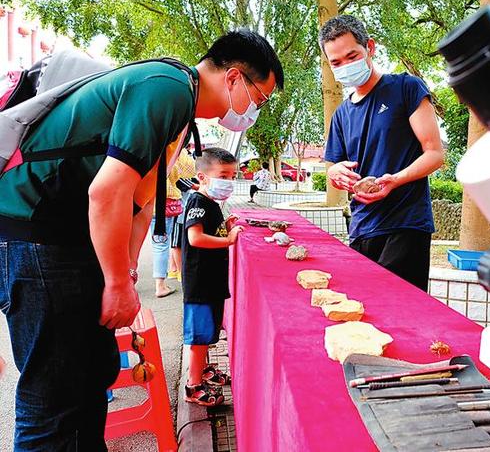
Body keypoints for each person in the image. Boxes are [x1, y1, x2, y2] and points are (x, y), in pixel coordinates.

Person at [0, 30, 283, 450]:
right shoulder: (166, 87)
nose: (253, 111)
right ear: (235, 78)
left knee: (92, 380)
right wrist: (115, 282)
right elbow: (107, 191)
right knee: (54, 405)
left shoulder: (181, 112)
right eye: (259, 99)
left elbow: (140, 203)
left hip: (66, 243)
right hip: (39, 238)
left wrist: (126, 276)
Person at [320, 15, 444, 291]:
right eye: (336, 63)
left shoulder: (406, 88)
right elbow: (336, 167)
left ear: (370, 48)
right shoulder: (341, 115)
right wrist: (334, 173)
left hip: (405, 224)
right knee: (364, 312)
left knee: (400, 313)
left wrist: (395, 180)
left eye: (351, 56)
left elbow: (435, 154)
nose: (345, 66)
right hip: (362, 226)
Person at [181, 147, 241, 406]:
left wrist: (224, 228)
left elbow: (209, 230)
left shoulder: (212, 204)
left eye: (232, 176)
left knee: (208, 333)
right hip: (200, 284)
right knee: (200, 336)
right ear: (203, 177)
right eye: (223, 175)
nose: (228, 182)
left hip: (211, 282)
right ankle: (193, 385)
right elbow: (195, 238)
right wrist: (227, 240)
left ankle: (203, 370)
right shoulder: (197, 201)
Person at [168, 146, 199, 283]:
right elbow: (180, 179)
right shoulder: (176, 155)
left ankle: (173, 270)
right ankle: (181, 272)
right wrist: (198, 186)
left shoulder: (180, 154)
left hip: (180, 207)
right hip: (177, 207)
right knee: (176, 242)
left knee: (176, 240)